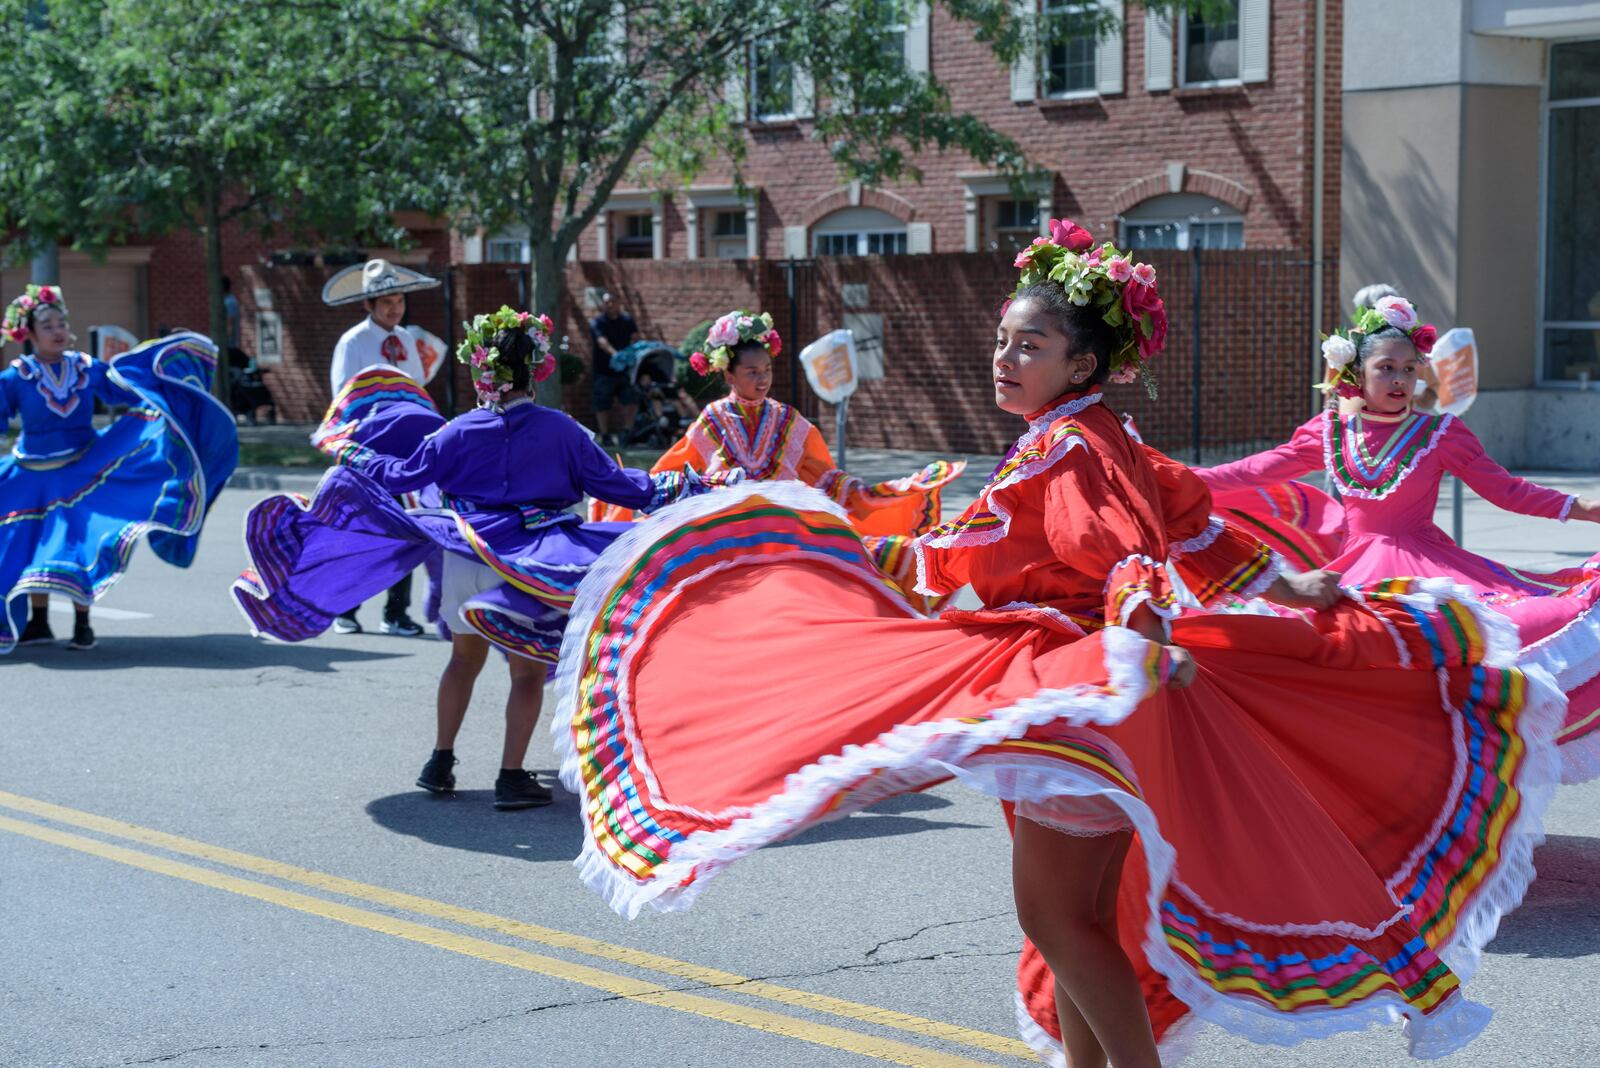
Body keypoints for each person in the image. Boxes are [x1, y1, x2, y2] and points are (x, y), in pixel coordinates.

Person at [549, 221, 1560, 1064]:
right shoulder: (1088, 435)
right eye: (1002, 342)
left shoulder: (1077, 447)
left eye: (1027, 346)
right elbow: (1200, 531)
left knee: (1057, 919)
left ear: (1082, 360)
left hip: (1085, 688)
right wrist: (1289, 580)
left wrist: (1128, 613)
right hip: (1086, 688)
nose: (1004, 358)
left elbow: (1121, 544)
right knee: (1077, 917)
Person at [234, 307, 723, 809]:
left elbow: (400, 475)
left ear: (481, 371)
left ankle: (439, 762)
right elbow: (623, 488)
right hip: (531, 563)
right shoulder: (562, 431)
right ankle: (511, 778)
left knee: (463, 661)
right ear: (535, 369)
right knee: (526, 672)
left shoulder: (458, 431)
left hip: (466, 555)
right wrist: (696, 486)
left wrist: (351, 451)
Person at [1196, 293, 1600, 782]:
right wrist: (1179, 480)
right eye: (1386, 368)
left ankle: (1441, 782)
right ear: (1357, 374)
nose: (1400, 380)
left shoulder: (1442, 434)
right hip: (1356, 568)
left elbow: (1506, 491)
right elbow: (1256, 470)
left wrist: (1584, 509)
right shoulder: (1330, 432)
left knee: (1468, 657)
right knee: (1339, 668)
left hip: (1428, 568)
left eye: (1409, 369)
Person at [595, 310, 965, 604]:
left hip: (787, 531)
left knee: (871, 564)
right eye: (751, 372)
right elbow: (673, 474)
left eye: (767, 370)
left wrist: (874, 493)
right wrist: (622, 489)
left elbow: (823, 476)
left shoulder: (789, 420)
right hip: (728, 537)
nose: (762, 379)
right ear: (729, 375)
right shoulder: (711, 421)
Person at [1, 285, 238, 652]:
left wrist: (164, 392)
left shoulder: (86, 368)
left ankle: (82, 624)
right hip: (29, 475)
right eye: (47, 324)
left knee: (81, 544)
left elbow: (132, 392)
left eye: (61, 322)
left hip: (84, 470)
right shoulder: (16, 377)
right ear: (28, 333)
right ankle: (38, 623)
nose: (58, 329)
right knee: (29, 548)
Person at [323, 257, 439, 636]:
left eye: (400, 300)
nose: (395, 308)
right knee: (361, 529)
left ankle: (396, 612)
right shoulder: (353, 342)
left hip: (403, 453)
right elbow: (344, 398)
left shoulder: (407, 340)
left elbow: (417, 394)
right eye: (387, 301)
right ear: (368, 305)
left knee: (404, 527)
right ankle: (345, 608)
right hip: (367, 452)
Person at [587, 291, 640, 447]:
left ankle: (627, 432)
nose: (610, 305)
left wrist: (630, 355)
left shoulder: (627, 320)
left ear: (619, 303)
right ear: (603, 304)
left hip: (625, 372)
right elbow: (602, 342)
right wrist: (616, 355)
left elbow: (635, 338)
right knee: (602, 403)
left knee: (631, 400)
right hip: (604, 371)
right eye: (607, 302)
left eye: (613, 301)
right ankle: (605, 435)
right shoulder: (598, 322)